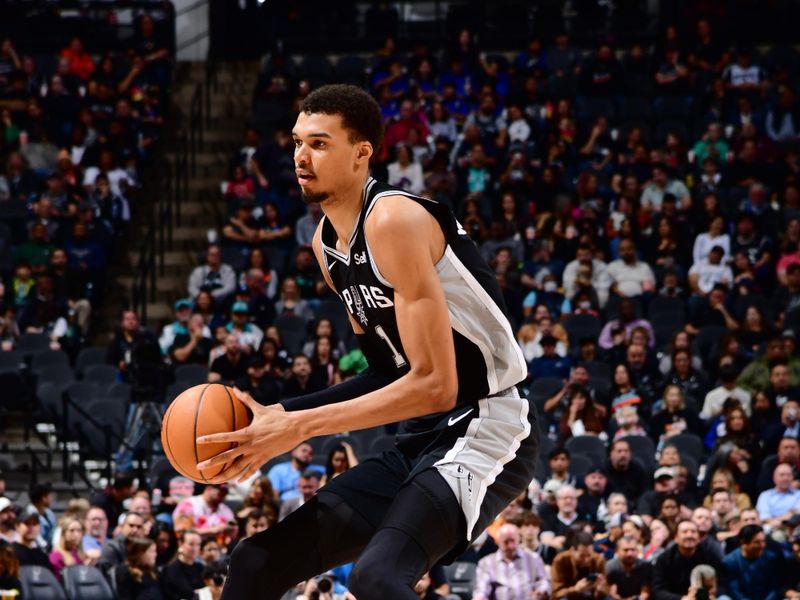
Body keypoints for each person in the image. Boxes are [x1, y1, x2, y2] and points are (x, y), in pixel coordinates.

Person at [196, 84, 537, 600]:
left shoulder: (394, 219)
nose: (300, 157)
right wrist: (271, 416)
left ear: (362, 153)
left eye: (319, 143)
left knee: (376, 579)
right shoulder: (326, 246)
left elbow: (437, 385)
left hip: (488, 423)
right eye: (296, 143)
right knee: (255, 560)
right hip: (422, 437)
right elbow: (386, 373)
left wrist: (296, 426)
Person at [472, 523, 550, 600]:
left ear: (519, 539)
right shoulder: (486, 562)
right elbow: (482, 588)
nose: (510, 546)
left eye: (513, 541)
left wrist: (542, 591)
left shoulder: (533, 558)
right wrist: (480, 597)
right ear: (498, 541)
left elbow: (544, 580)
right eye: (506, 542)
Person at [651, 520, 721, 600]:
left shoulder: (709, 556)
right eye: (684, 532)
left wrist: (714, 591)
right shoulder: (664, 559)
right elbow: (658, 591)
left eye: (693, 532)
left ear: (699, 538)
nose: (689, 535)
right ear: (676, 538)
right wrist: (683, 599)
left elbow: (721, 583)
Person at [722, 524, 783, 600]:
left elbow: (775, 587)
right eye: (757, 542)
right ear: (743, 543)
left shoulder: (770, 558)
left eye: (763, 541)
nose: (762, 545)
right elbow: (734, 590)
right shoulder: (730, 562)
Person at [550, 531, 608, 599]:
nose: (586, 560)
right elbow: (556, 593)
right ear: (572, 550)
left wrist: (600, 589)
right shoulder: (560, 560)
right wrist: (576, 589)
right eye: (582, 556)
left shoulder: (598, 560)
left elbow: (605, 589)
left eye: (589, 555)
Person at [160, 530, 204, 600]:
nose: (195, 548)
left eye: (198, 544)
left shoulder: (201, 567)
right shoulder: (169, 570)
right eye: (191, 544)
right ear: (180, 544)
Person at [604, 536, 652, 600]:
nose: (630, 554)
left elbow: (645, 592)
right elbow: (612, 593)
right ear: (617, 551)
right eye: (625, 550)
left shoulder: (646, 566)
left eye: (633, 550)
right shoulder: (610, 566)